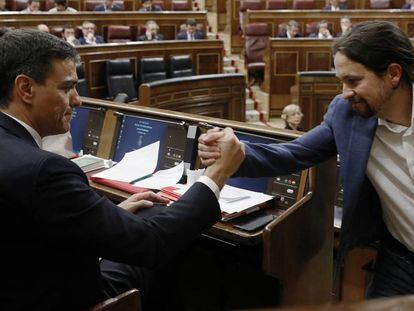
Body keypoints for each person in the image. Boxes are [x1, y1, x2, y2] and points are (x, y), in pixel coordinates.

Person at [0, 28, 244, 310]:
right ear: (26, 88)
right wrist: (218, 173)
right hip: (63, 296)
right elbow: (152, 243)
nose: (77, 100)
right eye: (67, 88)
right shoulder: (44, 171)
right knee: (166, 242)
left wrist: (109, 216)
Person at [199, 20, 414, 299]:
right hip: (401, 263)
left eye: (354, 81)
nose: (345, 92)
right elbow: (293, 153)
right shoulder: (347, 113)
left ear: (393, 74)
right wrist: (235, 151)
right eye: (341, 81)